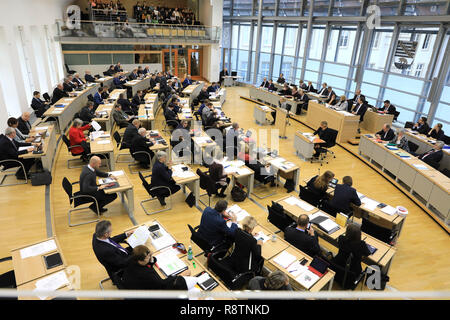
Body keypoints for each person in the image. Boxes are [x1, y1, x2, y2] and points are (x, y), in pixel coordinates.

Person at [121, 245, 191, 290]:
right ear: (142, 260)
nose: (150, 256)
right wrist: (180, 275)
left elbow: (149, 262)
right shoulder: (147, 274)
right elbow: (163, 284)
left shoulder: (132, 259)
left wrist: (150, 257)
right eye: (148, 256)